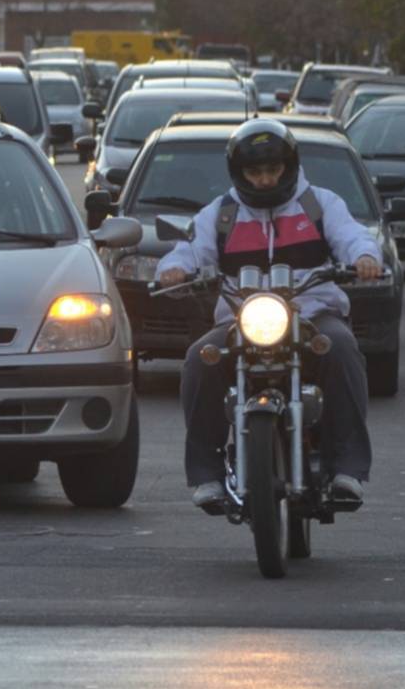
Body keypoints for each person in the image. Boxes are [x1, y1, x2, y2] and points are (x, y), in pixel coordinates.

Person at [155, 119, 383, 509]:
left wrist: (364, 257)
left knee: (342, 348)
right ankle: (206, 473)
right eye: (254, 172)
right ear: (238, 172)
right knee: (199, 359)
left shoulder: (319, 204)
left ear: (289, 166)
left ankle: (348, 467)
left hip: (312, 315)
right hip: (238, 320)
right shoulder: (221, 214)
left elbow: (353, 235)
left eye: (272, 170)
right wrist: (173, 270)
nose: (264, 180)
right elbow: (190, 250)